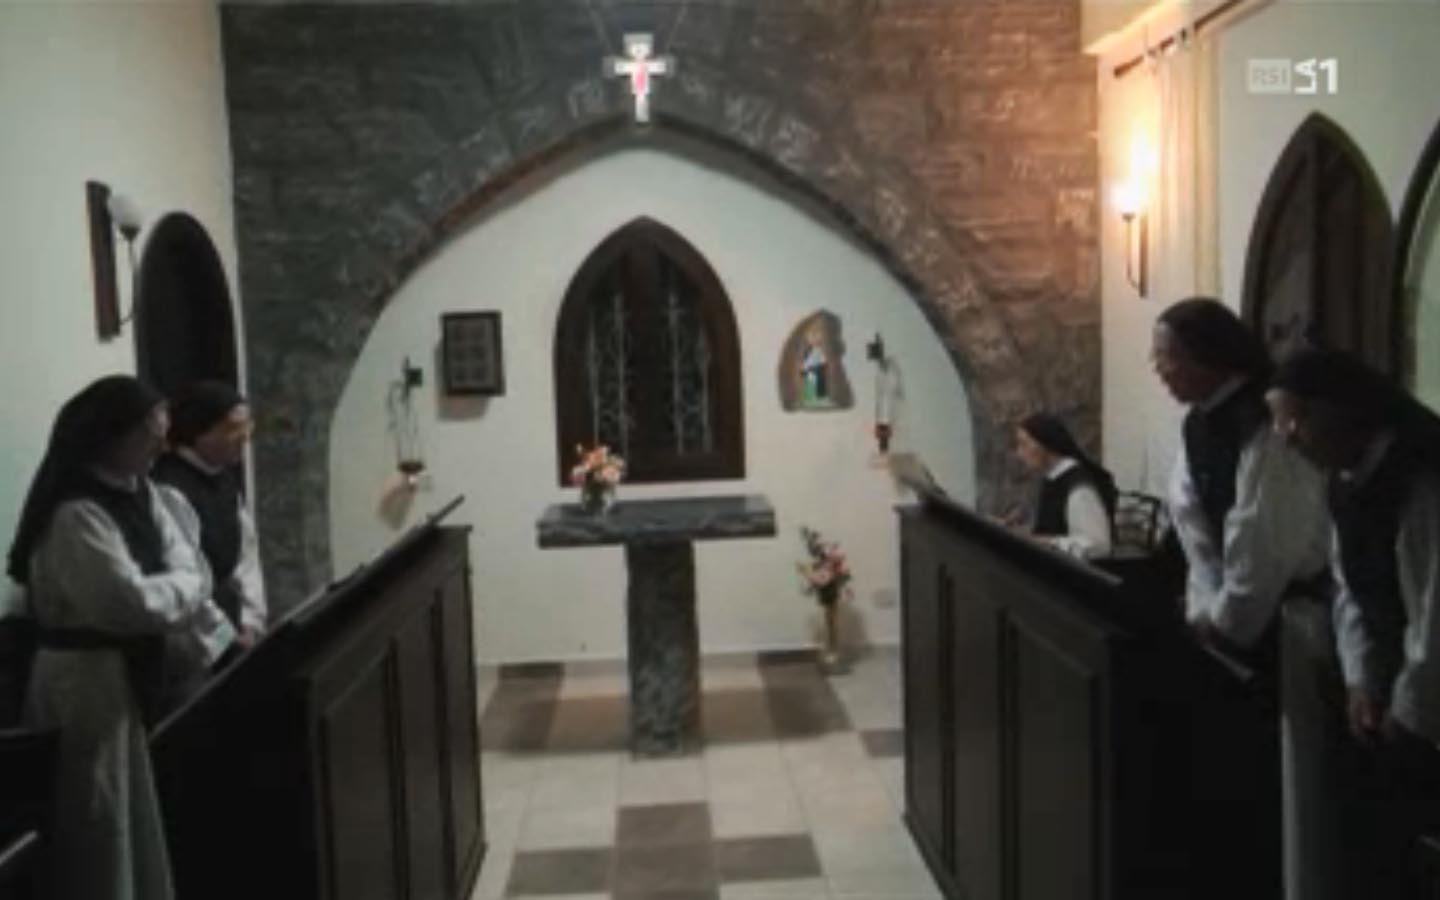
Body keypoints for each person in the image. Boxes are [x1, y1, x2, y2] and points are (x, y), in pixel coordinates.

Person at [6, 375, 234, 900]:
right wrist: (185, 587)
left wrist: (180, 585)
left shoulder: (143, 492)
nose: (161, 443)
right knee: (100, 825)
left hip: (129, 676)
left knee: (137, 822)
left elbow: (189, 561)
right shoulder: (76, 513)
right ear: (111, 434)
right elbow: (128, 604)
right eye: (151, 432)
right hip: (87, 687)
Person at [1267, 348, 1440, 896]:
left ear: (1336, 411)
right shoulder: (1346, 481)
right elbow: (1349, 586)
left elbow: (1433, 609)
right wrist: (1361, 677)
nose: (1286, 438)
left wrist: (1410, 707)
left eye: (1294, 419)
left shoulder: (1420, 475)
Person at [1151, 297, 1329, 657]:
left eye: (1168, 357)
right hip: (1224, 605)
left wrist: (1225, 625)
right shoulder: (1199, 422)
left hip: (1285, 613)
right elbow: (1190, 518)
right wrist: (1204, 608)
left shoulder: (1264, 422)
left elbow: (1262, 538)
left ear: (1207, 356)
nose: (1159, 370)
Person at [151, 381, 267, 652]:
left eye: (247, 426)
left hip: (232, 627)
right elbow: (189, 578)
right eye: (232, 428)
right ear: (200, 431)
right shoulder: (170, 490)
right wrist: (224, 638)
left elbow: (246, 557)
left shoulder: (224, 480)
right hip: (193, 637)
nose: (245, 437)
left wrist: (251, 621)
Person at [1014, 413, 1117, 559]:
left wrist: (1047, 542)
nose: (1019, 453)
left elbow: (1098, 546)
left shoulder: (1079, 490)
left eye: (1024, 444)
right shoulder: (1053, 478)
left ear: (1045, 444)